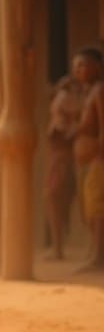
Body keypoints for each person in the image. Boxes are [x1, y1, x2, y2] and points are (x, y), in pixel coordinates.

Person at [44, 73, 87, 260]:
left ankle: (58, 250)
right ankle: (57, 249)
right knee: (54, 201)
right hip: (60, 158)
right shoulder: (64, 101)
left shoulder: (74, 104)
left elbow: (73, 128)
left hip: (66, 159)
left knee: (59, 200)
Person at [72, 47, 104, 270]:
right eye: (76, 67)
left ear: (97, 67)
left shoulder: (100, 90)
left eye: (82, 65)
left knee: (97, 207)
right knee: (88, 209)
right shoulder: (88, 92)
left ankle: (98, 257)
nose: (77, 70)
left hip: (96, 158)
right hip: (86, 159)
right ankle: (95, 252)